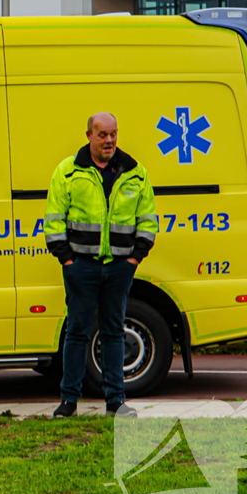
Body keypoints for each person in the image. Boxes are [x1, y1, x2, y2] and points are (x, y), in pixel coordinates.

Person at [44, 112, 158, 418]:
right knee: (77, 332)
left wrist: (135, 258)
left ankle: (115, 402)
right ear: (89, 136)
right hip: (81, 266)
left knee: (113, 332)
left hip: (120, 267)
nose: (109, 140)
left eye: (113, 134)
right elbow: (53, 220)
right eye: (103, 134)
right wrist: (67, 259)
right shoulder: (68, 172)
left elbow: (148, 219)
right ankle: (69, 402)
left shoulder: (135, 172)